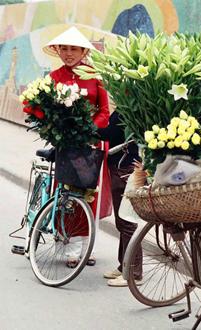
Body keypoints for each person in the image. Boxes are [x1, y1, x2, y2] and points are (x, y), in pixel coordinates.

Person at [43, 26, 112, 267]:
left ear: (84, 51)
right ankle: (69, 247)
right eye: (64, 48)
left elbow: (104, 111)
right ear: (57, 51)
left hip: (91, 145)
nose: (68, 53)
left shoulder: (96, 76)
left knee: (87, 194)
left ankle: (86, 247)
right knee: (65, 193)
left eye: (74, 48)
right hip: (66, 145)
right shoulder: (53, 78)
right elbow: (46, 111)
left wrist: (88, 130)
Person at [97, 111, 143, 286]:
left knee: (127, 222)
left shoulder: (129, 108)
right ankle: (123, 265)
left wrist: (88, 128)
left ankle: (134, 273)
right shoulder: (125, 105)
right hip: (120, 167)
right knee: (122, 222)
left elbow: (112, 133)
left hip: (125, 169)